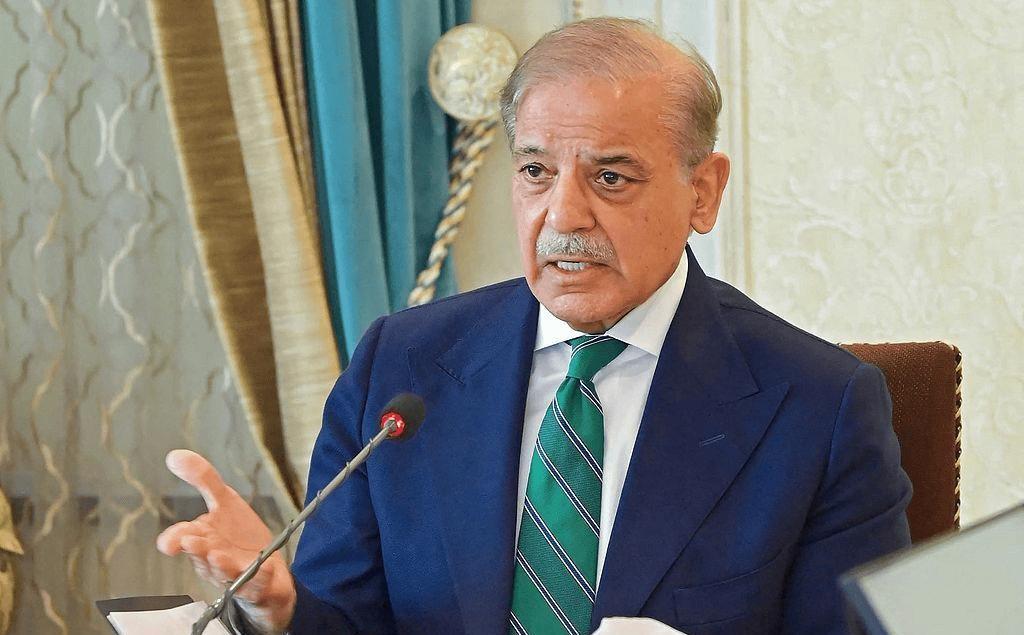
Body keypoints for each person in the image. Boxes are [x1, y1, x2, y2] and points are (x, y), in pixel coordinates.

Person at [157, 17, 912, 635]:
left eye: (610, 176)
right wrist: (281, 608)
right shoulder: (402, 366)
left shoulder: (818, 406)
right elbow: (346, 621)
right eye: (535, 171)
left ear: (703, 192)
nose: (563, 215)